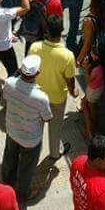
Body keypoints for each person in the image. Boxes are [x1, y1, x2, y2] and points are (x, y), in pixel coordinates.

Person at [1, 53, 53, 201]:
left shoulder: (9, 83)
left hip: (11, 131)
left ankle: (7, 182)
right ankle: (23, 194)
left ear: (20, 69)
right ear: (38, 73)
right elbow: (48, 118)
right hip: (31, 139)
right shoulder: (41, 98)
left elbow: (6, 97)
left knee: (10, 157)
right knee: (27, 167)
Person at [29, 13, 76, 160]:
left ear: (46, 30)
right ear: (62, 30)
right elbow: (70, 81)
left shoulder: (35, 47)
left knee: (37, 128)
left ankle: (34, 154)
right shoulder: (67, 56)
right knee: (55, 128)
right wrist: (74, 92)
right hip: (57, 99)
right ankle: (55, 154)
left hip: (37, 96)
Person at [80, 43, 105, 139]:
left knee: (91, 110)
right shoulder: (101, 65)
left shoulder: (95, 69)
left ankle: (92, 129)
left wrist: (86, 68)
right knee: (85, 103)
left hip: (93, 91)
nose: (90, 53)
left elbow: (87, 80)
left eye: (92, 52)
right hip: (98, 88)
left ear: (96, 56)